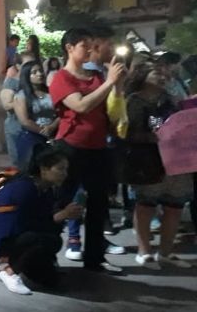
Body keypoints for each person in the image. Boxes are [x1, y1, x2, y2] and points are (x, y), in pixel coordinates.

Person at [49, 28, 126, 273]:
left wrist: (118, 86)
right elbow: (80, 106)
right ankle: (45, 250)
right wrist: (110, 83)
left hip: (99, 147)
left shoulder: (96, 78)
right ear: (69, 48)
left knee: (98, 205)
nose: (90, 50)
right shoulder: (62, 78)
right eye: (85, 46)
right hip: (71, 147)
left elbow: (112, 106)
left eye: (92, 46)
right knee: (61, 201)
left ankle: (94, 258)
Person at [0, 145, 83, 295]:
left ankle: (4, 260)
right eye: (60, 169)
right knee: (46, 239)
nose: (64, 174)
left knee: (51, 280)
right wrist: (61, 215)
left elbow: (44, 221)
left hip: (20, 235)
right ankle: (7, 270)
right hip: (2, 236)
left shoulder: (46, 187)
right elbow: (23, 225)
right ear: (44, 169)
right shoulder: (24, 188)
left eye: (66, 169)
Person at [125, 63, 194, 269]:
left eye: (164, 73)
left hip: (176, 162)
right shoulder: (134, 101)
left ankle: (166, 252)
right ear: (143, 76)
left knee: (174, 207)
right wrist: (153, 137)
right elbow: (127, 134)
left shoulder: (171, 100)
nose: (163, 77)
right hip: (148, 161)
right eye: (157, 73)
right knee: (146, 206)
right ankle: (144, 251)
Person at [13, 61, 59, 171]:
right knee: (32, 169)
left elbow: (62, 113)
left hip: (54, 135)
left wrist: (52, 127)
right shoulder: (21, 95)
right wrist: (44, 132)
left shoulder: (51, 92)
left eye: (41, 71)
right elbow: (24, 121)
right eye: (34, 72)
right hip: (31, 137)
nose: (40, 74)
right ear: (27, 76)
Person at [1, 51, 37, 167]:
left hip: (35, 127)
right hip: (16, 127)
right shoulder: (11, 82)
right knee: (21, 164)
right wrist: (22, 101)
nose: (31, 67)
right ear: (18, 66)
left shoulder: (37, 82)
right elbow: (6, 104)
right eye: (27, 64)